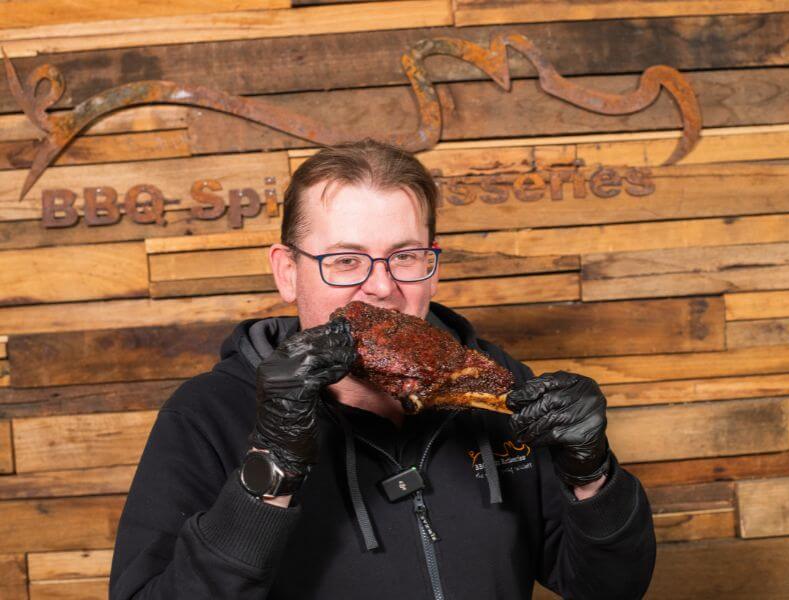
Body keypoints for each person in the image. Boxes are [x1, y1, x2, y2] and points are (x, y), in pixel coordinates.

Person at [109, 139, 656, 600]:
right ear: (288, 272)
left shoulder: (497, 388)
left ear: (432, 267)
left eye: (405, 256)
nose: (381, 287)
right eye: (345, 260)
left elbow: (610, 587)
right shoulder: (205, 415)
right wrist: (272, 466)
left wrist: (593, 477)